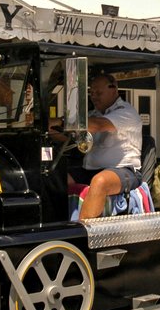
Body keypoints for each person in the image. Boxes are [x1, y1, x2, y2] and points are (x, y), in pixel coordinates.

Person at [61, 73, 142, 220]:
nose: (94, 97)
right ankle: (58, 224)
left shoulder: (126, 112)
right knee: (58, 176)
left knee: (100, 182)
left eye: (98, 92)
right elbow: (66, 135)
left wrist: (64, 122)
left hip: (125, 171)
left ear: (114, 90)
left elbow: (98, 125)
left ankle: (83, 234)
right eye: (91, 93)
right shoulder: (93, 114)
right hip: (91, 170)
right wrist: (46, 125)